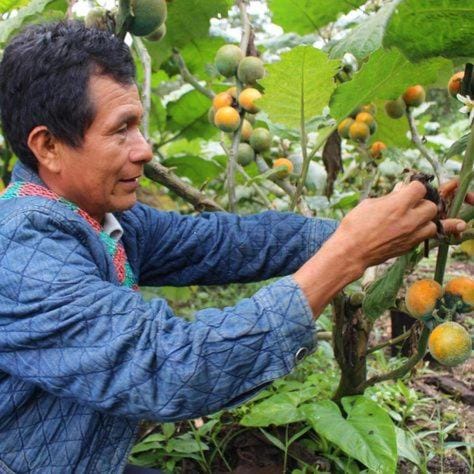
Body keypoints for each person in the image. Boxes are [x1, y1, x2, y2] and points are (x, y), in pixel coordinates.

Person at [0, 21, 467, 474]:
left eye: (139, 126)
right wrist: (347, 254)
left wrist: (379, 223)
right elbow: (169, 366)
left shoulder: (95, 216)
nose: (144, 150)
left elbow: (222, 243)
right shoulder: (22, 251)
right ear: (49, 147)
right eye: (121, 129)